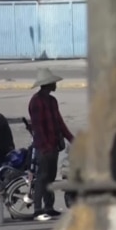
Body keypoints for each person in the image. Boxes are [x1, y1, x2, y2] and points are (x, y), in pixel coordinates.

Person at [28, 68, 74, 221]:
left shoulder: (52, 101)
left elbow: (59, 123)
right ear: (48, 84)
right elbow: (38, 128)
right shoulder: (36, 101)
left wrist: (71, 138)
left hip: (54, 146)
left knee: (50, 178)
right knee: (42, 178)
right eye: (53, 82)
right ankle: (38, 210)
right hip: (43, 148)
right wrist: (46, 146)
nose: (56, 84)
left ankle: (49, 207)